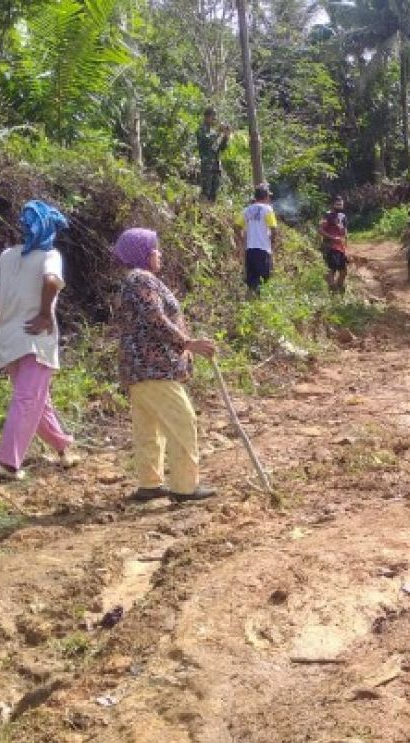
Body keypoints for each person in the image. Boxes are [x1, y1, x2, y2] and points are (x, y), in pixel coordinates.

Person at [113, 228, 218, 503]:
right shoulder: (142, 280)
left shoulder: (132, 280)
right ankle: (185, 486)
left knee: (149, 427)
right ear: (143, 254)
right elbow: (154, 318)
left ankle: (150, 483)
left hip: (138, 368)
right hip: (154, 367)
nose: (159, 254)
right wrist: (188, 342)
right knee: (182, 421)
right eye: (155, 249)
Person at [0, 201, 80, 480]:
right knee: (28, 399)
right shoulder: (50, 255)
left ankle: (62, 446)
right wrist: (45, 314)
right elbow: (51, 281)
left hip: (10, 339)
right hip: (35, 339)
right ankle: (8, 464)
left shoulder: (7, 255)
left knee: (38, 400)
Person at [237, 184, 278, 295]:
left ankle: (251, 304)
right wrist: (271, 243)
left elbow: (238, 227)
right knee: (263, 281)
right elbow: (274, 229)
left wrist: (243, 240)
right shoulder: (268, 209)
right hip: (263, 250)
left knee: (252, 282)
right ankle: (259, 306)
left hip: (250, 250)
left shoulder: (247, 210)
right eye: (269, 196)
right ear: (266, 197)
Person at [196, 108, 230, 202]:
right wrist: (219, 132)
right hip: (207, 165)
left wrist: (225, 137)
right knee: (205, 191)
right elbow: (206, 141)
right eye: (212, 116)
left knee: (213, 193)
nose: (214, 119)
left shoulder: (213, 132)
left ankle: (209, 212)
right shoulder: (201, 130)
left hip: (215, 165)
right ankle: (201, 212)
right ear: (206, 117)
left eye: (215, 116)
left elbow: (220, 148)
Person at [318, 197, 349, 293]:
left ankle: (339, 288)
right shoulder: (327, 215)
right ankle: (332, 291)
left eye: (341, 204)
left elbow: (344, 232)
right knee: (331, 269)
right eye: (337, 204)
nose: (339, 206)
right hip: (330, 246)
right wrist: (332, 237)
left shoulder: (343, 216)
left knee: (344, 272)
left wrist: (345, 237)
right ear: (332, 205)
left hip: (340, 247)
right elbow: (320, 230)